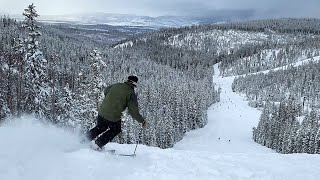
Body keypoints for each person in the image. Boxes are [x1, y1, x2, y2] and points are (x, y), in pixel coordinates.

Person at [85, 75, 147, 151]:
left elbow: (106, 91)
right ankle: (98, 144)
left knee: (100, 127)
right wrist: (142, 121)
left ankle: (83, 139)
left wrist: (111, 100)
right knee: (116, 129)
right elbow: (133, 111)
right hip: (113, 116)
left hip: (102, 111)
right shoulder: (131, 93)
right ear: (134, 84)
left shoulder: (116, 85)